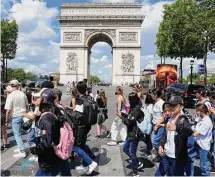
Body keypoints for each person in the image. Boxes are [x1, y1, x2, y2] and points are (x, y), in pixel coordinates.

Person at [29, 89, 71, 176]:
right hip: (58, 151)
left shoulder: (46, 118)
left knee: (46, 173)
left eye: (38, 97)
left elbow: (46, 142)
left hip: (49, 157)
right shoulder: (55, 111)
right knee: (65, 171)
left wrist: (34, 149)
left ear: (43, 100)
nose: (35, 99)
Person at [155, 96, 193, 176]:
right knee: (158, 174)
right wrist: (161, 145)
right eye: (170, 105)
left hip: (177, 157)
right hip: (166, 154)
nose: (171, 107)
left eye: (174, 105)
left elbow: (189, 132)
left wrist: (177, 127)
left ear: (181, 107)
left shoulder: (183, 119)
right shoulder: (169, 118)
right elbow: (164, 134)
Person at [72, 81, 98, 174]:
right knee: (82, 144)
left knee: (75, 146)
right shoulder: (89, 98)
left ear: (77, 90)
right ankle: (86, 165)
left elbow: (76, 115)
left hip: (80, 127)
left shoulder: (80, 100)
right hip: (88, 125)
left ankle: (90, 163)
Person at [121, 92, 144, 177]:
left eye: (129, 99)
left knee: (132, 152)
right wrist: (124, 115)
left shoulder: (136, 109)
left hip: (135, 134)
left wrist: (122, 117)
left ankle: (135, 172)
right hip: (130, 133)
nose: (128, 101)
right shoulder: (133, 108)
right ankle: (137, 162)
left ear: (132, 100)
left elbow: (129, 122)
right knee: (125, 149)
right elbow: (130, 118)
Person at [4, 80, 28, 158]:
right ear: (18, 86)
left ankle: (22, 151)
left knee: (17, 134)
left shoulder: (11, 95)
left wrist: (6, 120)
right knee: (19, 133)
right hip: (23, 115)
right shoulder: (23, 94)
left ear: (11, 86)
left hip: (16, 116)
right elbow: (27, 106)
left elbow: (8, 110)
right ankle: (20, 147)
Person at [193, 103, 213, 176]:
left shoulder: (207, 122)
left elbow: (196, 133)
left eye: (197, 111)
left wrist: (190, 132)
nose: (195, 112)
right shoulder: (200, 118)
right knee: (190, 158)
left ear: (201, 111)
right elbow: (194, 128)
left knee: (203, 166)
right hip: (197, 143)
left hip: (203, 147)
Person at [151, 89, 165, 162]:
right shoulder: (155, 102)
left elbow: (164, 117)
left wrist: (157, 125)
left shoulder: (162, 103)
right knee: (155, 141)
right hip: (154, 124)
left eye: (152, 94)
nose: (151, 95)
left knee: (155, 142)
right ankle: (160, 155)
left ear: (156, 95)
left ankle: (163, 156)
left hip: (160, 126)